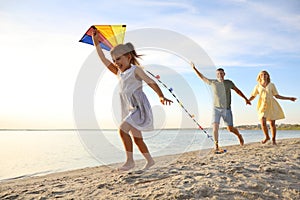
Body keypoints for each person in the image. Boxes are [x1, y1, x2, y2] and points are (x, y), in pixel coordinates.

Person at [92, 28, 173, 171]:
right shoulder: (118, 72)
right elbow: (102, 59)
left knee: (122, 130)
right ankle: (150, 161)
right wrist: (96, 41)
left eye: (119, 59)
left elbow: (150, 81)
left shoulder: (135, 70)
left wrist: (160, 95)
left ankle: (130, 161)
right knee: (137, 138)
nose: (116, 62)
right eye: (114, 60)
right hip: (128, 108)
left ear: (128, 57)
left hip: (138, 107)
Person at [191, 62, 251, 152]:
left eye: (221, 73)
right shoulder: (212, 82)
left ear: (224, 74)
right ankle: (216, 145)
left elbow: (238, 91)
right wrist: (194, 68)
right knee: (215, 126)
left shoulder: (229, 83)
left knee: (230, 129)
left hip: (226, 109)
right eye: (218, 74)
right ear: (216, 75)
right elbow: (202, 77)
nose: (220, 75)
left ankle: (239, 135)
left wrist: (246, 99)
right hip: (216, 109)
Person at [249, 70, 297, 145]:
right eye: (262, 75)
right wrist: (248, 100)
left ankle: (273, 139)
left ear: (268, 76)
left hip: (271, 105)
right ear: (260, 77)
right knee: (262, 122)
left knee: (272, 123)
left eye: (265, 75)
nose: (264, 76)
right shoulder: (257, 86)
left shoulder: (271, 85)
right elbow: (253, 95)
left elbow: (277, 96)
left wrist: (289, 98)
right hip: (262, 105)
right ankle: (267, 137)